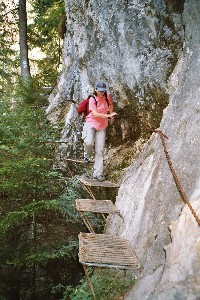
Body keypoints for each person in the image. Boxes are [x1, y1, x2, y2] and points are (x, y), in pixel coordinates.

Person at [82, 80, 117, 181]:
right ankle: (87, 156)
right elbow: (96, 114)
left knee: (100, 150)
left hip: (102, 126)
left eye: (103, 91)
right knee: (88, 143)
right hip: (91, 123)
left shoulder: (107, 96)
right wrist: (109, 115)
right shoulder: (92, 99)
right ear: (96, 90)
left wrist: (111, 113)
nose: (101, 93)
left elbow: (110, 105)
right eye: (100, 91)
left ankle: (98, 173)